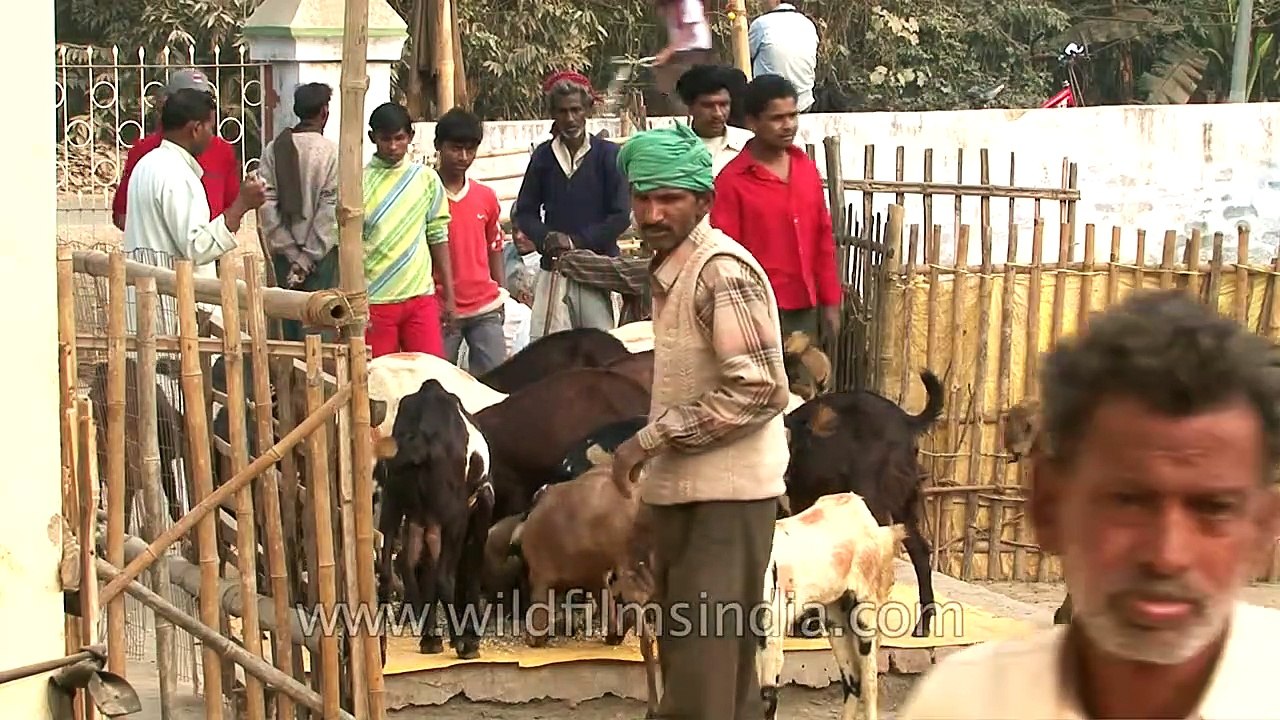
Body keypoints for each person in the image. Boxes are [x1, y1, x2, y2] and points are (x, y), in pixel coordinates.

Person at [899, 289, 1280, 720]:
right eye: (1128, 501)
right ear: (1047, 506)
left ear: (1265, 528)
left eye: (1213, 508)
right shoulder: (963, 705)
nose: (1166, 555)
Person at [610, 123, 791, 719]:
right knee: (712, 677)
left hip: (727, 502)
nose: (653, 211)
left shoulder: (720, 272)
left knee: (701, 683)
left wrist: (649, 439)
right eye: (643, 197)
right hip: (694, 498)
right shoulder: (673, 272)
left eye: (670, 198)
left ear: (703, 202)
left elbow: (762, 389)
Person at [710, 74, 840, 346]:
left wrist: (830, 301)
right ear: (752, 122)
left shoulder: (805, 169)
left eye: (793, 115)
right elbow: (724, 258)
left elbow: (823, 239)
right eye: (777, 118)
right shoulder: (732, 182)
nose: (788, 125)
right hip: (753, 312)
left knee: (808, 386)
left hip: (806, 309)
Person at [513, 71, 630, 336]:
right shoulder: (543, 157)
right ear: (553, 113)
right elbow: (525, 212)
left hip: (597, 269)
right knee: (550, 349)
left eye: (576, 110)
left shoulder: (608, 155)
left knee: (601, 346)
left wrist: (575, 241)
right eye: (562, 111)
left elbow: (621, 215)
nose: (569, 118)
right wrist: (548, 238)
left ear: (587, 109)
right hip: (556, 269)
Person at [123, 87, 264, 278]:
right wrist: (241, 206)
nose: (212, 137)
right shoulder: (176, 172)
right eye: (210, 128)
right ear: (196, 129)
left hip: (149, 290)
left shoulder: (147, 163)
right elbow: (197, 248)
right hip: (172, 298)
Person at [362, 101, 454, 358]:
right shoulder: (358, 183)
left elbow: (438, 236)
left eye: (399, 138)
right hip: (375, 301)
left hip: (420, 297)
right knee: (379, 379)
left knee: (431, 373)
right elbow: (345, 245)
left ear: (410, 136)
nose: (392, 147)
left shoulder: (426, 179)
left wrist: (449, 294)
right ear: (373, 138)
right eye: (385, 139)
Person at [257, 82, 339, 340]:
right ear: (324, 112)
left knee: (290, 327)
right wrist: (308, 257)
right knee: (320, 324)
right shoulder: (330, 152)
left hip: (285, 256)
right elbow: (330, 208)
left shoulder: (274, 148)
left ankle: (290, 379)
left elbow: (266, 201)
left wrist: (291, 252)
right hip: (321, 258)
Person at [113, 69, 241, 232]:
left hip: (209, 251)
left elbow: (229, 214)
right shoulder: (145, 152)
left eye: (204, 100)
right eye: (187, 100)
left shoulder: (223, 151)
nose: (195, 108)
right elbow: (122, 214)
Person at [433, 108, 508, 375]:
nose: (463, 157)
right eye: (455, 148)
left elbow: (495, 248)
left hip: (485, 307)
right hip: (440, 309)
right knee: (437, 382)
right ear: (438, 146)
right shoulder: (424, 195)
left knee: (497, 383)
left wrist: (502, 295)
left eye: (470, 149)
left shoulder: (485, 196)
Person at [675, 64, 755, 176]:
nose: (717, 113)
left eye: (723, 104)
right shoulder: (673, 148)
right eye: (708, 105)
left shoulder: (749, 143)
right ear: (690, 107)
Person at [748, 1, 819, 113]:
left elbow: (746, 55)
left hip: (770, 104)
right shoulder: (809, 24)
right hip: (804, 102)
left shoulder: (761, 24)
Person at [652, 0, 715, 115]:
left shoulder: (689, 3)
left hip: (694, 51)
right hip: (680, 51)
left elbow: (688, 32)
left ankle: (688, 116)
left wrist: (667, 52)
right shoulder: (671, 6)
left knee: (686, 90)